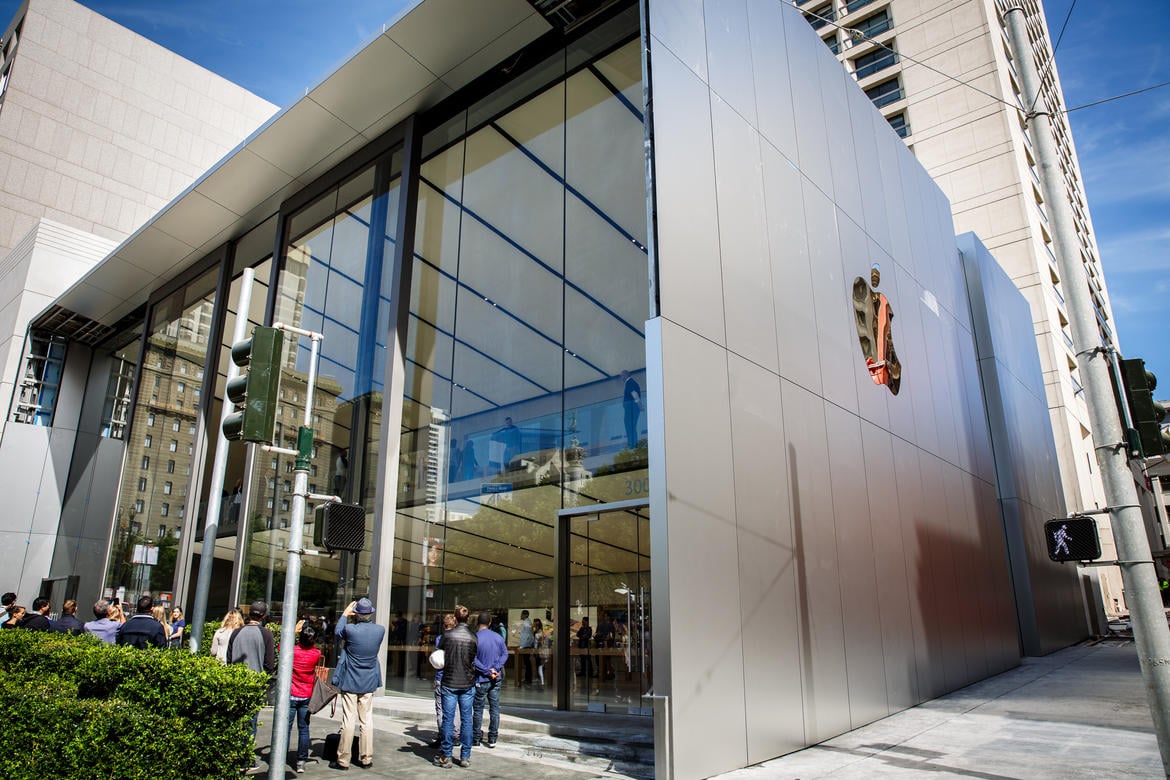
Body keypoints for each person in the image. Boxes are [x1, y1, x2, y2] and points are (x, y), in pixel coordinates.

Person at [332, 598, 385, 770]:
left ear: (357, 614)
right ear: (371, 613)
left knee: (348, 719)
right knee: (366, 720)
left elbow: (337, 631)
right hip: (368, 679)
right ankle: (366, 758)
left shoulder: (350, 629)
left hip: (350, 679)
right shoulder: (379, 630)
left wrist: (345, 614)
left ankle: (343, 759)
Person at [228, 600, 276, 770]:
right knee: (251, 722)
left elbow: (229, 658)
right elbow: (270, 663)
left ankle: (233, 754)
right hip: (255, 682)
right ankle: (245, 757)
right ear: (263, 616)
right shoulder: (266, 635)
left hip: (235, 681)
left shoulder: (236, 633)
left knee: (236, 719)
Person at [435, 604, 477, 769]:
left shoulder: (448, 636)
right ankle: (465, 756)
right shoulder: (473, 637)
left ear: (456, 617)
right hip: (467, 682)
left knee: (448, 719)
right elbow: (473, 657)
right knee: (467, 719)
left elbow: (439, 655)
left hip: (450, 681)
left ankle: (446, 755)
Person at [288, 623, 322, 774]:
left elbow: (281, 648)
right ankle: (301, 760)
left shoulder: (293, 651)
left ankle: (280, 755)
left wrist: (294, 631)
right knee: (304, 728)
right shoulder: (316, 654)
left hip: (291, 692)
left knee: (286, 728)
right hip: (306, 694)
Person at [472, 611, 508, 750]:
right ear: (490, 623)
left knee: (478, 709)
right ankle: (492, 738)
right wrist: (496, 668)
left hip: (481, 678)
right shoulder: (498, 637)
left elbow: (473, 659)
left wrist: (486, 670)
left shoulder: (475, 637)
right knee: (494, 708)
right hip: (495, 678)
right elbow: (505, 654)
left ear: (477, 623)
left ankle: (476, 738)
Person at [429, 613, 458, 748]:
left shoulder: (441, 638)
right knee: (455, 708)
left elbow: (437, 657)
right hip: (456, 677)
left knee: (441, 708)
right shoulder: (459, 638)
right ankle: (456, 734)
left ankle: (443, 735)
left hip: (441, 677)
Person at [621, 370, 642, 449]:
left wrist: (639, 405)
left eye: (622, 376)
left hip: (631, 408)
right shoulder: (631, 382)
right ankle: (633, 443)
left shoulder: (630, 382)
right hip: (632, 407)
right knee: (631, 426)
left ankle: (632, 444)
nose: (621, 378)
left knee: (629, 425)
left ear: (626, 375)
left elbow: (634, 393)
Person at [517, 609, 535, 685]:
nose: (521, 616)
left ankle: (528, 679)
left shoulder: (527, 623)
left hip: (526, 646)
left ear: (525, 615)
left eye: (522, 614)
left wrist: (522, 646)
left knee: (527, 662)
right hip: (526, 645)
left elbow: (527, 636)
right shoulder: (527, 622)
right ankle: (527, 678)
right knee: (527, 662)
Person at [532, 618, 547, 685]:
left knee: (540, 663)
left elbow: (540, 641)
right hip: (536, 648)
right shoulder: (536, 631)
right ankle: (539, 678)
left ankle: (540, 678)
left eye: (534, 623)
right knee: (538, 663)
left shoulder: (540, 631)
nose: (534, 624)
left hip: (539, 649)